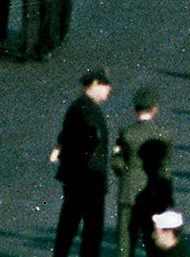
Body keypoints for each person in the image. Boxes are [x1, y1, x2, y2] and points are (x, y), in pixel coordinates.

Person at [53, 70, 113, 257]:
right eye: (105, 87)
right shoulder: (88, 111)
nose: (108, 91)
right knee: (91, 229)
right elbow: (90, 138)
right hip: (88, 178)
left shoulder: (78, 107)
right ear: (94, 84)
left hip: (77, 176)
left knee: (68, 225)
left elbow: (65, 136)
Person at [114, 87, 170, 257]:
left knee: (126, 240)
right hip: (152, 193)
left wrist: (127, 171)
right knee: (152, 240)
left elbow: (116, 163)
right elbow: (165, 168)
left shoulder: (127, 134)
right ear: (154, 109)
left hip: (128, 190)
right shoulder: (163, 135)